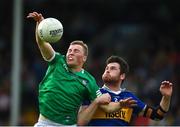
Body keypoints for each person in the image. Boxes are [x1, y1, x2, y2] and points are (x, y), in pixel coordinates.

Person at [27, 12, 135, 126]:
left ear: (84, 58)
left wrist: (120, 105)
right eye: (69, 50)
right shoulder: (57, 61)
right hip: (44, 123)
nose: (71, 53)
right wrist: (41, 26)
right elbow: (41, 42)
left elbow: (107, 107)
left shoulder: (89, 80)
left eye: (76, 51)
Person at [78, 55, 173, 126]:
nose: (107, 70)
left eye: (113, 68)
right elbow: (79, 122)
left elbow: (157, 115)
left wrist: (166, 97)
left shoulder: (129, 97)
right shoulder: (93, 92)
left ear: (122, 76)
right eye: (106, 68)